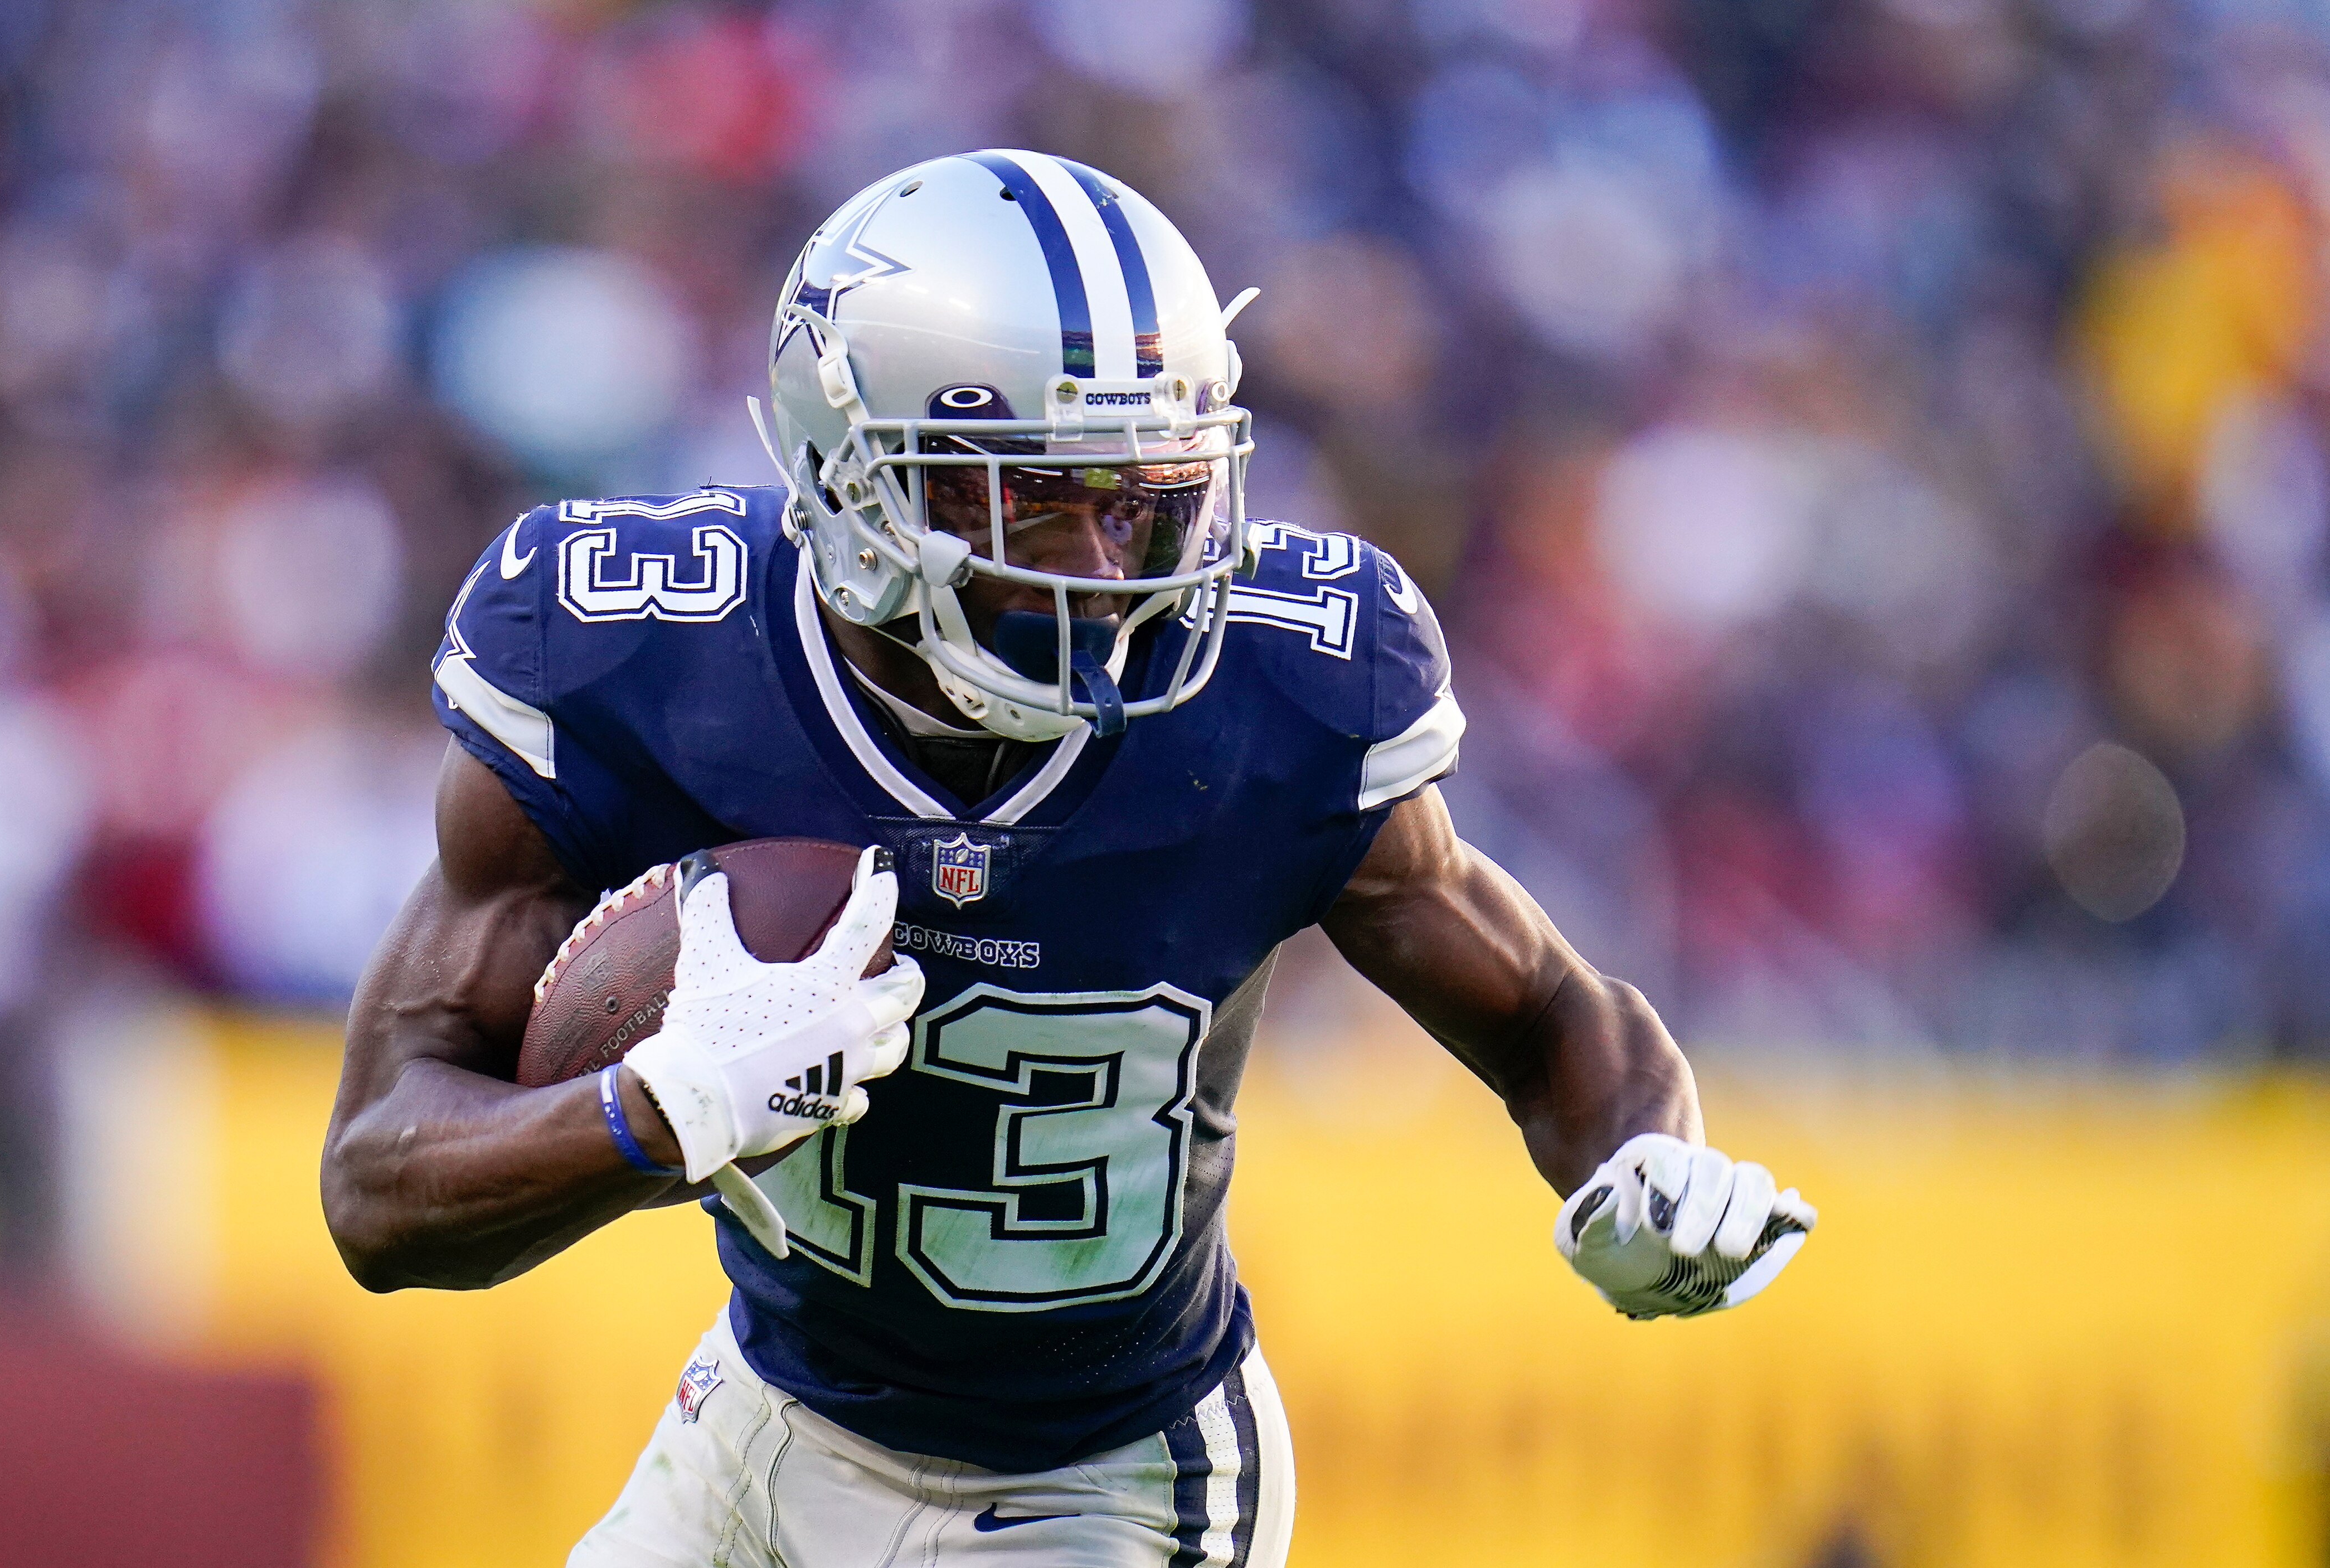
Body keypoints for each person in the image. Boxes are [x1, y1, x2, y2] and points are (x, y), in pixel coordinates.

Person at [321, 149, 1812, 1567]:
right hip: (760, 1414)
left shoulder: (1282, 690)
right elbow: (380, 1193)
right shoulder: (640, 661)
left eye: (1144, 501)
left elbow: (1546, 1008)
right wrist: (661, 1111)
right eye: (1033, 499)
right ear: (854, 483)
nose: (1108, 573)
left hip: (1097, 1484)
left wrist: (1642, 1158)